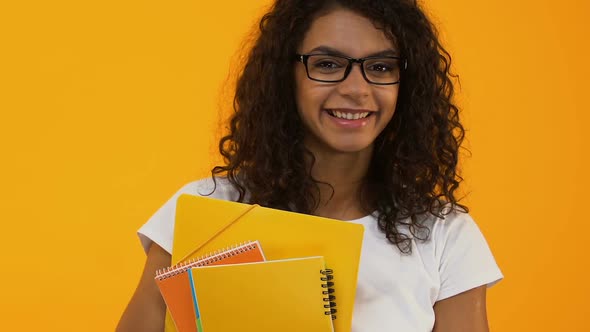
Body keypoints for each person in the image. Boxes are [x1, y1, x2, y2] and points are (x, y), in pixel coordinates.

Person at [116, 0, 503, 331]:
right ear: (285, 77)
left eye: (382, 67)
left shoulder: (444, 236)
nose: (356, 89)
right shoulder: (204, 208)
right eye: (328, 64)